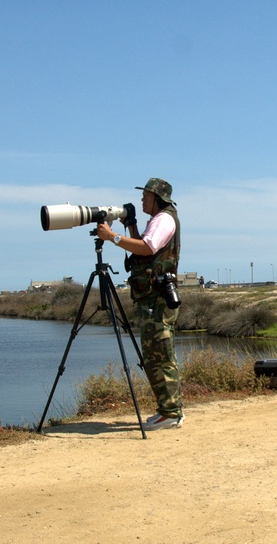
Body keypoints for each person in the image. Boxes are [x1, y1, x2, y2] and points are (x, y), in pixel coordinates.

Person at [96, 178, 184, 430]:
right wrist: (131, 227)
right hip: (151, 298)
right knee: (153, 354)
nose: (142, 200)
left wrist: (113, 237)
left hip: (157, 298)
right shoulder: (157, 220)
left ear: (157, 197)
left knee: (161, 354)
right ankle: (166, 409)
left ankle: (172, 412)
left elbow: (147, 247)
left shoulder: (165, 219)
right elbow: (142, 251)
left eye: (145, 195)